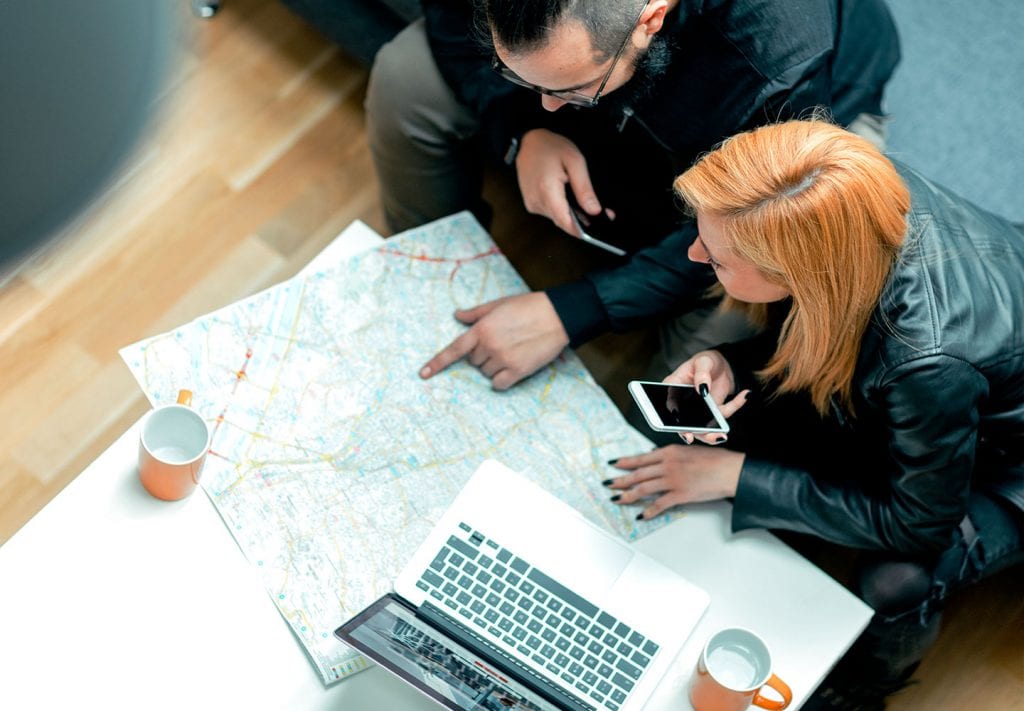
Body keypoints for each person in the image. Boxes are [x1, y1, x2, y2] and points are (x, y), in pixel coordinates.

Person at [603, 118, 1024, 709]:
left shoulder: (924, 362)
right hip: (975, 358)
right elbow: (822, 333)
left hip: (1010, 456)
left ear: (796, 272)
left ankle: (858, 689)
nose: (696, 255)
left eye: (719, 259)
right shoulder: (845, 190)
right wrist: (727, 361)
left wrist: (734, 476)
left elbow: (921, 522)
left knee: (897, 579)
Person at [365, 0, 901, 390]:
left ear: (652, 17)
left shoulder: (774, 65)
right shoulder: (558, 85)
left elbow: (746, 225)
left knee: (734, 322)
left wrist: (573, 311)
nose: (550, 108)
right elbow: (452, 18)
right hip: (626, 87)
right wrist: (519, 129)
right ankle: (426, 286)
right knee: (407, 77)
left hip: (791, 128)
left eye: (569, 91)